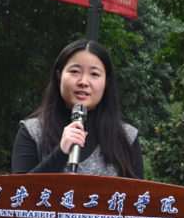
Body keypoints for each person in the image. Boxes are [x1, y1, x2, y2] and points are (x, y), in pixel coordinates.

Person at [12, 39, 144, 179]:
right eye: (75, 71)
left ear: (106, 83)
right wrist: (60, 153)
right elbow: (19, 190)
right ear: (59, 77)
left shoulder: (126, 137)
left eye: (94, 74)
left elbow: (139, 193)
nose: (83, 82)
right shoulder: (32, 131)